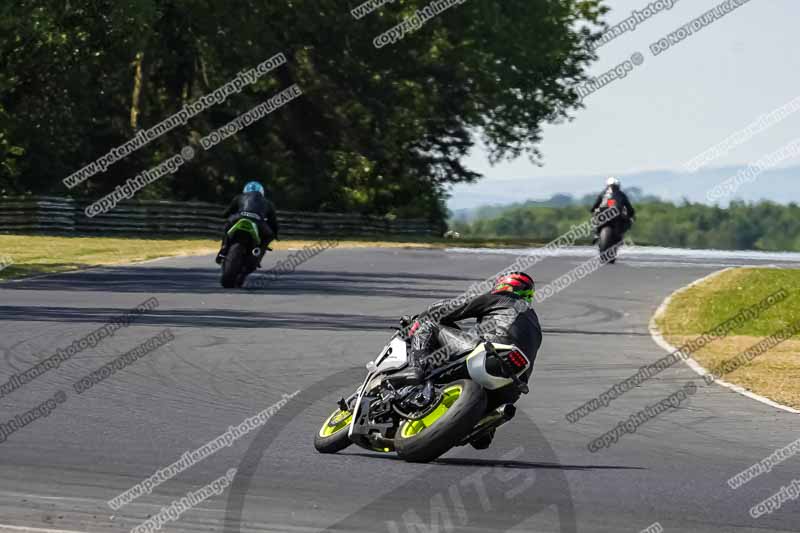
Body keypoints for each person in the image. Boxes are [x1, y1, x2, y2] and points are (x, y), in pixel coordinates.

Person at [404, 271, 542, 449]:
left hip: (490, 353)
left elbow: (452, 308)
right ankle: (482, 425)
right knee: (482, 438)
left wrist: (419, 319)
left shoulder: (503, 297)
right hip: (513, 385)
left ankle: (415, 376)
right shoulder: (535, 324)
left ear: (504, 285)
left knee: (429, 326)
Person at [216, 181, 279, 265]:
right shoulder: (268, 203)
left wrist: (224, 216)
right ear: (262, 191)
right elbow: (273, 222)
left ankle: (224, 248)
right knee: (269, 235)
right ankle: (258, 253)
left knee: (227, 226)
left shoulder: (239, 197)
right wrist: (275, 235)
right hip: (258, 222)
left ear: (245, 190)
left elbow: (226, 213)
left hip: (238, 218)